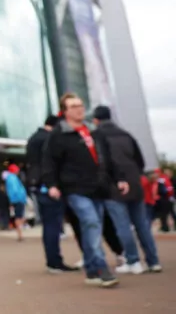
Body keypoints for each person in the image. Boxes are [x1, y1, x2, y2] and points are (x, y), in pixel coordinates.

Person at [43, 92, 129, 288]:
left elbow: (107, 157)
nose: (79, 109)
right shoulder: (58, 135)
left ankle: (91, 271)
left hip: (98, 187)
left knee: (94, 226)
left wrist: (119, 178)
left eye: (80, 105)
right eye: (73, 106)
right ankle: (101, 268)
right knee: (90, 222)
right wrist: (52, 185)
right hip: (74, 188)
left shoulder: (94, 131)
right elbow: (49, 162)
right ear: (64, 112)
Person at [92, 106, 162, 274]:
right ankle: (153, 261)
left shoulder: (96, 136)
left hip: (112, 186)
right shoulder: (126, 134)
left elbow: (99, 162)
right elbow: (140, 161)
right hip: (135, 183)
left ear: (95, 120)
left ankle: (133, 260)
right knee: (141, 224)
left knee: (122, 225)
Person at [26, 115, 78, 273]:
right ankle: (54, 261)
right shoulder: (49, 139)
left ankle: (53, 261)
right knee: (53, 225)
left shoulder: (34, 138)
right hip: (49, 186)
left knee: (49, 225)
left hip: (39, 185)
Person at [4, 164, 27, 242]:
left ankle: (20, 234)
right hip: (18, 199)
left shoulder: (11, 178)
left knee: (19, 216)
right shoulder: (12, 178)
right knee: (19, 217)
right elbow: (15, 190)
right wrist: (21, 198)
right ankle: (20, 234)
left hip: (17, 199)